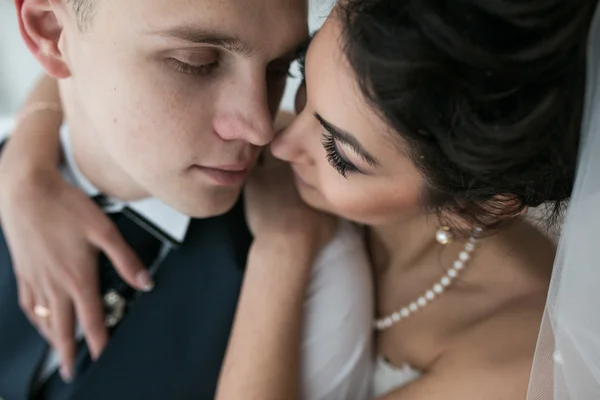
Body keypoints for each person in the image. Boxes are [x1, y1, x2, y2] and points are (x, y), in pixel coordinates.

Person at [1, 0, 595, 399]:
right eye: (301, 74)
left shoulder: (521, 368)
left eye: (341, 153)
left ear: (477, 207)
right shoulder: (364, 104)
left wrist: (285, 248)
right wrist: (25, 165)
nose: (272, 134)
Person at [0, 1, 374, 399]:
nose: (260, 128)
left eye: (280, 69)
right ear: (51, 32)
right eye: (196, 62)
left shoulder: (320, 268)